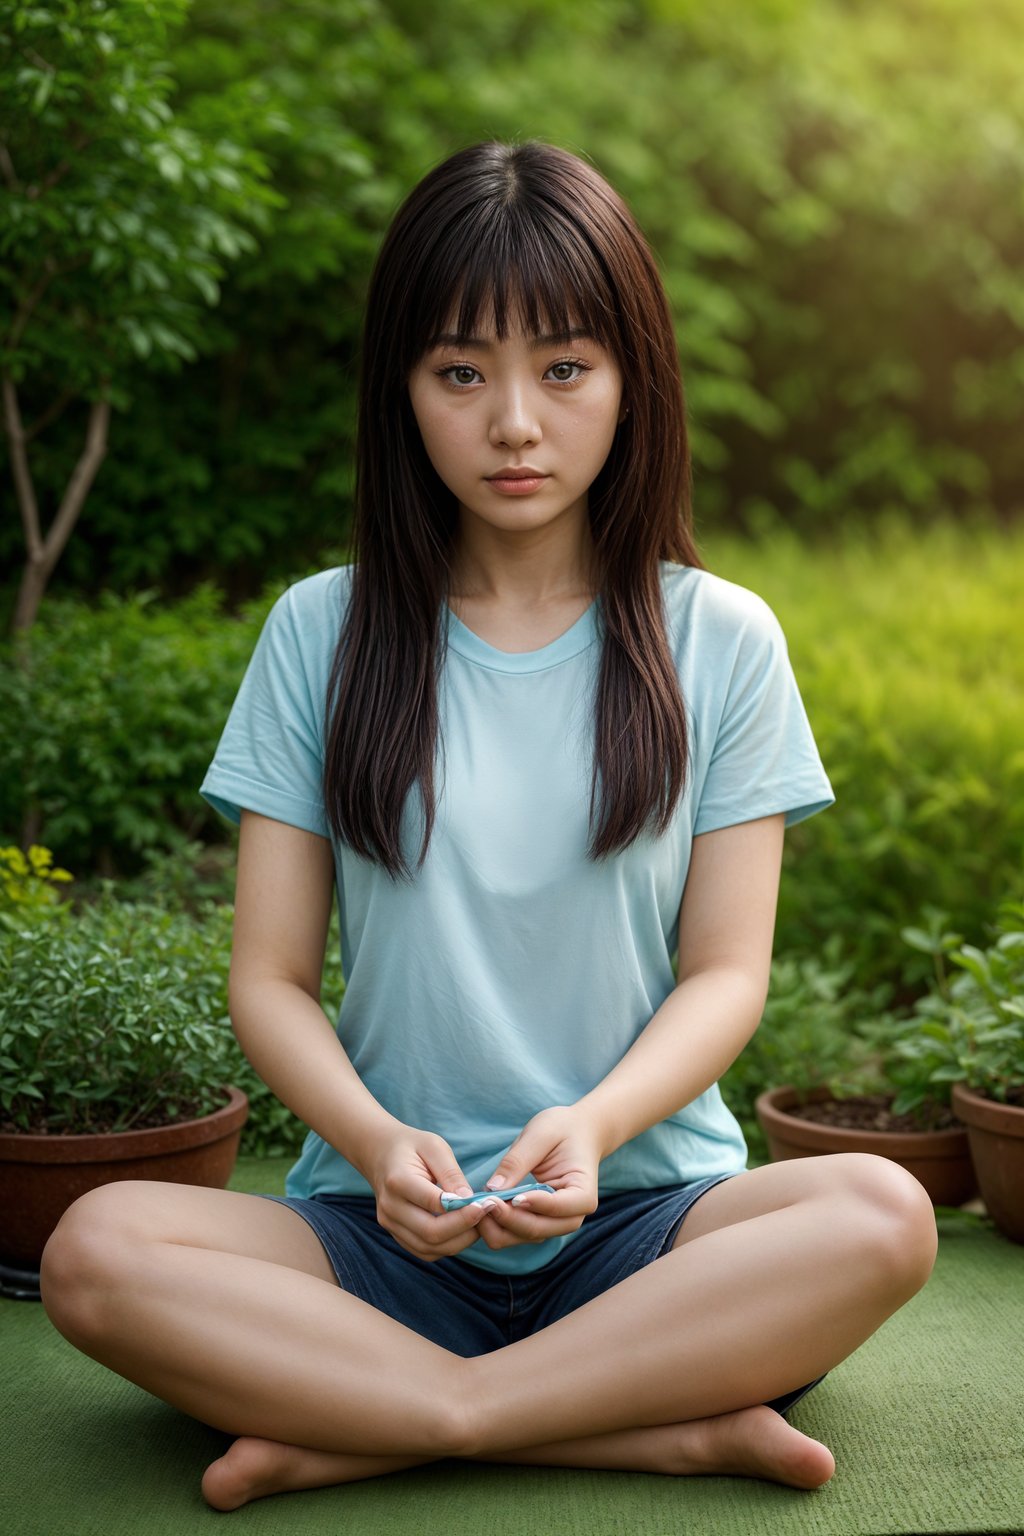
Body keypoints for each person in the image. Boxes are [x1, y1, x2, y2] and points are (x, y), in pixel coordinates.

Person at [39, 140, 938, 1511]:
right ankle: (652, 1423)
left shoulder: (722, 638)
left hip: (648, 1227)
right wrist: (379, 1139)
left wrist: (594, 1122)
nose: (514, 422)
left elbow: (726, 976)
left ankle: (407, 1416)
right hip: (378, 1237)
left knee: (882, 1214)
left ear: (634, 379)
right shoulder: (319, 633)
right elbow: (269, 980)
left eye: (564, 369)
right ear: (403, 391)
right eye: (462, 373)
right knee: (94, 1250)